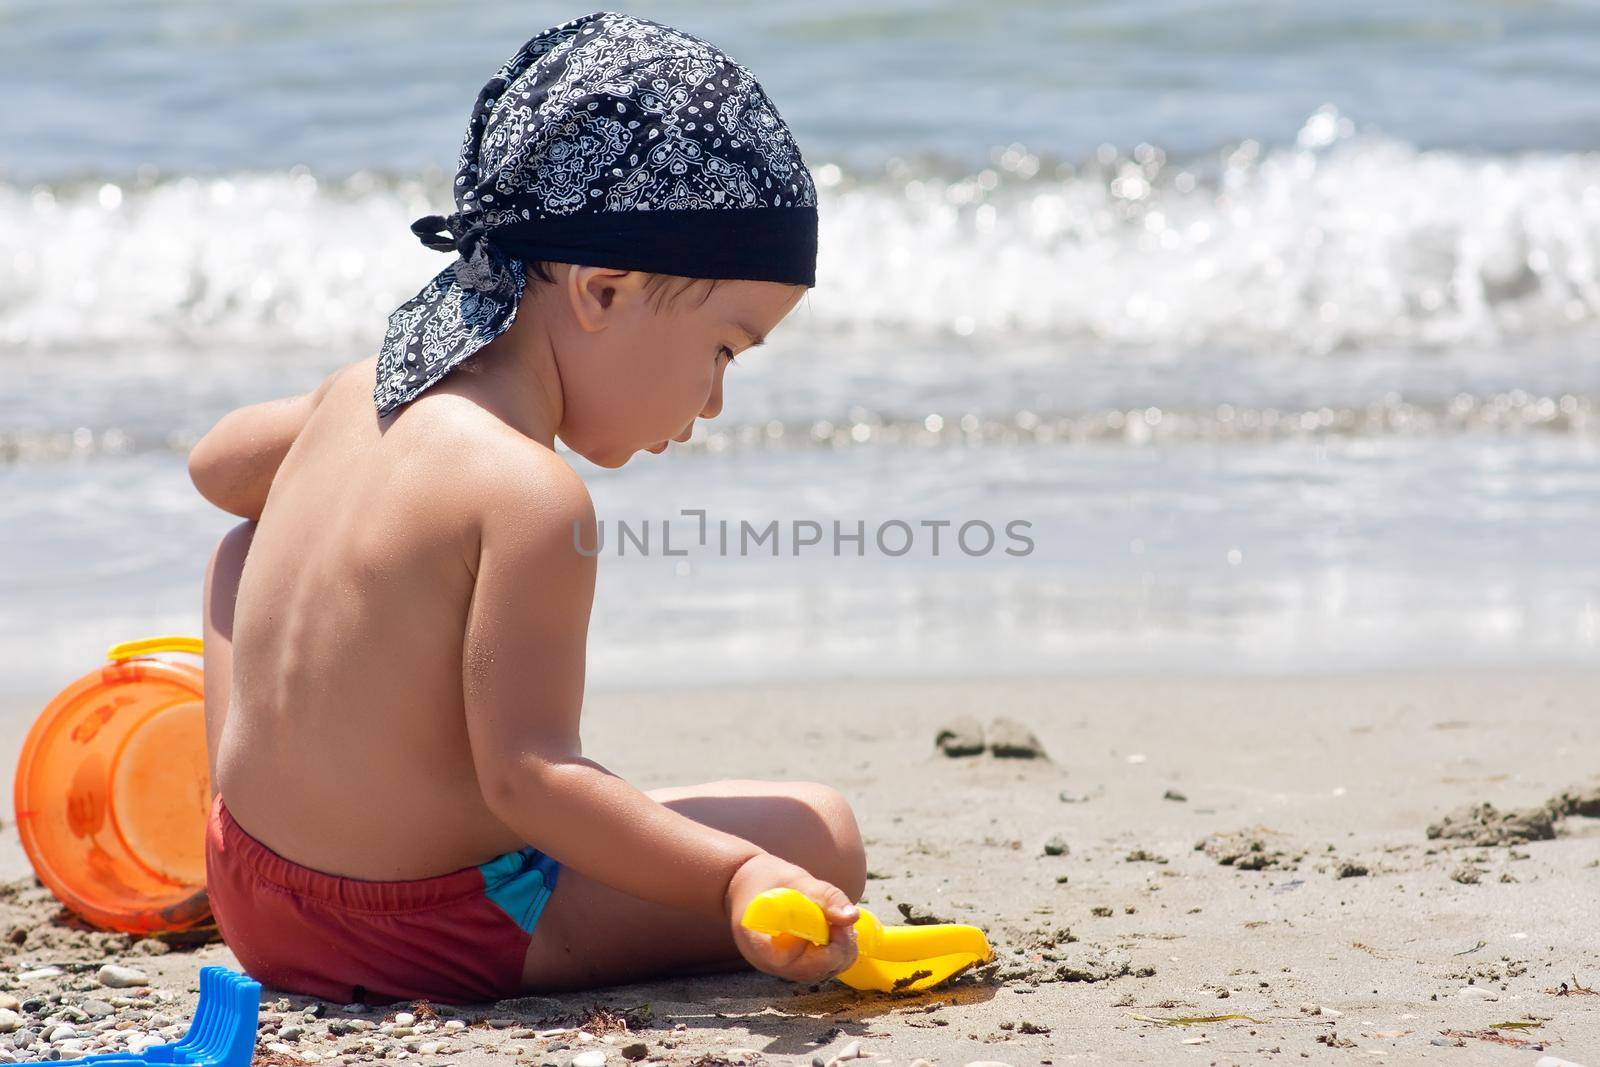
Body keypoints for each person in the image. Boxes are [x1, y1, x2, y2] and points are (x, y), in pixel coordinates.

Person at [186, 10, 865, 1005]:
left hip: (248, 887)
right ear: (602, 289)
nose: (715, 399)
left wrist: (340, 449)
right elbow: (530, 780)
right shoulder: (531, 495)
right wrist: (734, 875)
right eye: (724, 349)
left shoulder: (359, 392)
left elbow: (216, 468)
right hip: (417, 931)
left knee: (248, 546)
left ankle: (283, 800)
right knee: (818, 830)